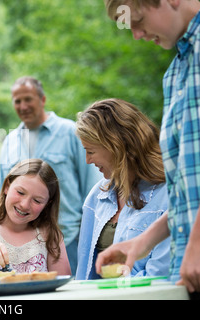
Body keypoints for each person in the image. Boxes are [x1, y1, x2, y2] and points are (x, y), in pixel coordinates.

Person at [99, 0, 200, 296]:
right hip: (188, 270)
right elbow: (187, 193)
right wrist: (141, 243)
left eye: (139, 20)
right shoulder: (176, 74)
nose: (137, 35)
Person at [0, 76, 102, 274]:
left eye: (28, 99)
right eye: (17, 101)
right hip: (22, 248)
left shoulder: (70, 132)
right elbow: (1, 194)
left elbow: (93, 187)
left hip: (69, 240)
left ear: (42, 100)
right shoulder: (10, 141)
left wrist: (90, 238)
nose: (23, 105)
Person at [74, 98, 170, 280]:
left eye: (91, 151)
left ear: (116, 146)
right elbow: (84, 273)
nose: (87, 160)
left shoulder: (167, 194)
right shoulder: (97, 195)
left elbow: (162, 276)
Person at [0, 158, 71, 280]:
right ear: (6, 187)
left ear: (47, 204)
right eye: (20, 192)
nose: (25, 205)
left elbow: (63, 282)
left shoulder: (50, 236)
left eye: (37, 200)